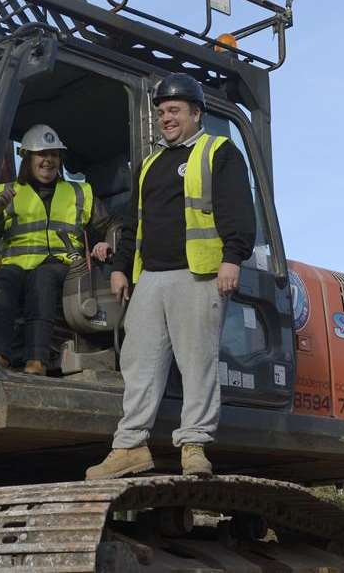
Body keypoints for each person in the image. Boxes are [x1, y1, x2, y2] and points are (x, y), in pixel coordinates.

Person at [85, 73, 256, 479]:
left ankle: (194, 446)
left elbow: (238, 210)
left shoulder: (220, 152)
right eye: (162, 112)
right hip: (152, 278)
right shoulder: (149, 165)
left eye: (175, 110)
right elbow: (133, 223)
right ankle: (129, 448)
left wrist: (233, 257)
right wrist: (122, 267)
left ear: (196, 114)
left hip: (198, 274)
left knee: (197, 362)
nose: (167, 118)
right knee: (139, 361)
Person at [0, 124, 114, 375]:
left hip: (63, 263)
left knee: (42, 278)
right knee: (3, 280)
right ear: (27, 158)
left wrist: (107, 241)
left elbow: (111, 224)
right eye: (42, 154)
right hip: (16, 264)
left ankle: (37, 359)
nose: (48, 160)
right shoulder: (5, 193)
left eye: (54, 155)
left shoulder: (80, 192)